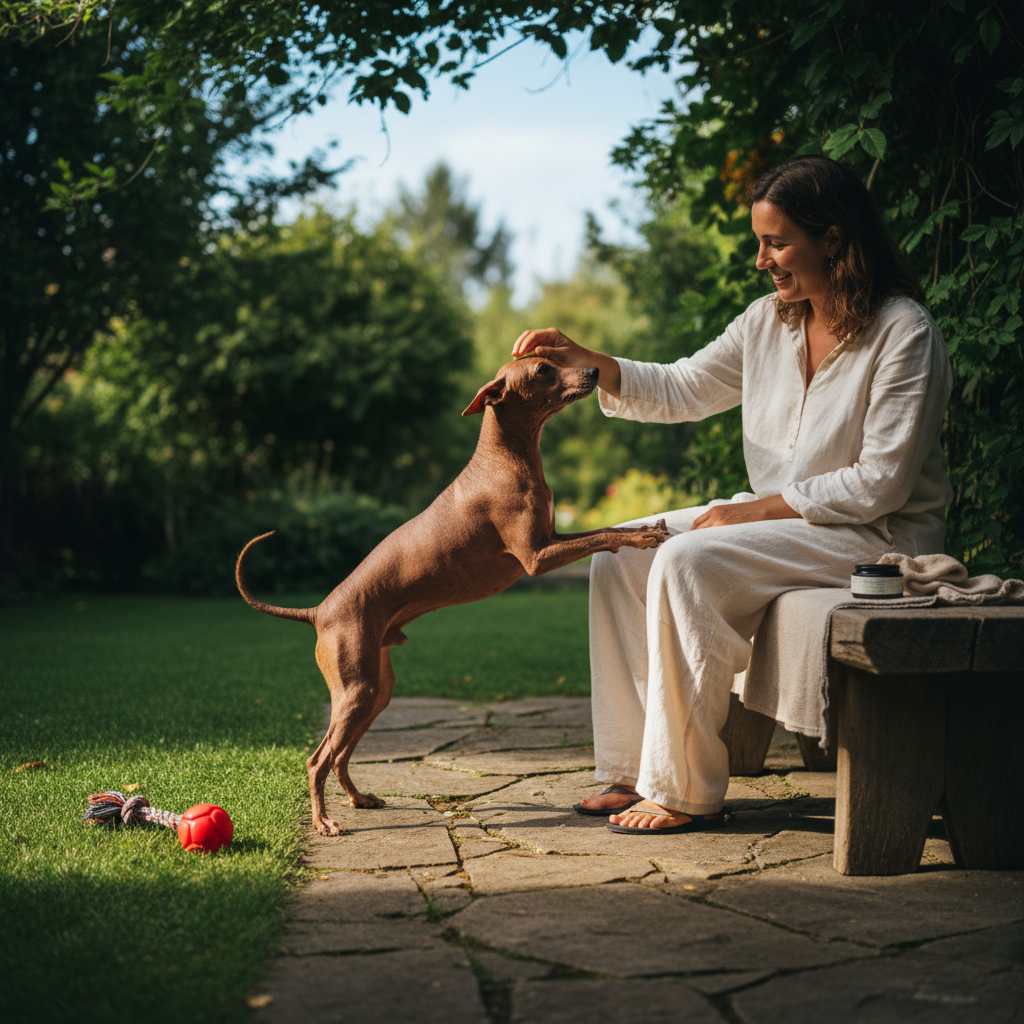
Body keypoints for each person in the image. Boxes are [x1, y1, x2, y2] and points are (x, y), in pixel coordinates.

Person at [511, 154, 953, 834]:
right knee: (624, 551)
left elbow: (881, 482)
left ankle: (684, 789)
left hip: (878, 538)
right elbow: (685, 387)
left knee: (689, 560)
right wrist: (588, 362)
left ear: (833, 239)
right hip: (792, 529)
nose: (762, 260)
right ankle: (630, 768)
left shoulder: (904, 332)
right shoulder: (767, 323)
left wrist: (748, 512)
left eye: (777, 242)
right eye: (761, 243)